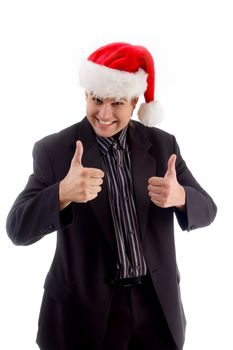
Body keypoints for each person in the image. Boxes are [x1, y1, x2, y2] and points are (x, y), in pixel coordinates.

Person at [6, 42, 217, 350]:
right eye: (97, 100)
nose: (104, 113)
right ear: (86, 96)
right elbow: (17, 229)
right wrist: (61, 194)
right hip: (83, 315)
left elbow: (209, 209)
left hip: (155, 308)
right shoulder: (54, 151)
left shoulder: (162, 146)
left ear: (134, 102)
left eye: (117, 102)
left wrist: (182, 196)